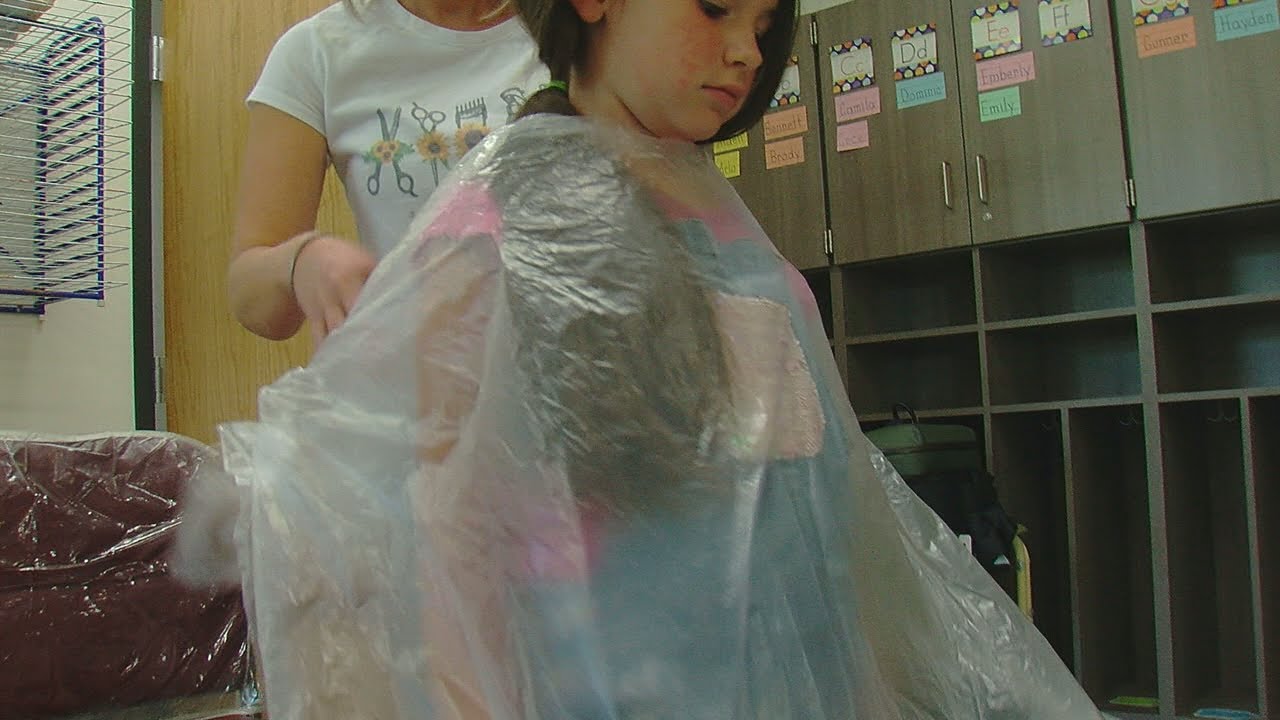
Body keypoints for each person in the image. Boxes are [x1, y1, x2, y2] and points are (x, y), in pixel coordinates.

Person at [200, 0, 1115, 717]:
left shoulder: (729, 233)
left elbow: (816, 499)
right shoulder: (478, 224)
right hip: (606, 662)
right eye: (715, 10)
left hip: (775, 654)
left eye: (763, 23)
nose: (748, 52)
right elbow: (452, 532)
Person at [227, 0, 547, 345]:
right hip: (424, 366)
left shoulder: (579, 25)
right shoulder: (318, 51)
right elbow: (253, 299)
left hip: (574, 361)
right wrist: (301, 261)